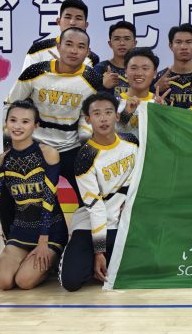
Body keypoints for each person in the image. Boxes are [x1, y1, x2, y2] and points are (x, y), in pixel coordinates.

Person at [5, 27, 102, 198]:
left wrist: (88, 145)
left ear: (87, 52)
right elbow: (10, 105)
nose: (74, 51)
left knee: (92, 198)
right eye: (69, 44)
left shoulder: (92, 80)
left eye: (80, 47)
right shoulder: (35, 72)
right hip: (35, 147)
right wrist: (9, 145)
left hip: (71, 148)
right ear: (58, 46)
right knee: (32, 201)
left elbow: (89, 116)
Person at [0, 101, 68, 290]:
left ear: (35, 126)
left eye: (25, 121)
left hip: (50, 231)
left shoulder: (48, 153)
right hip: (21, 230)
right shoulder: (3, 159)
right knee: (4, 282)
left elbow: (49, 199)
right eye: (13, 120)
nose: (18, 126)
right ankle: (28, 261)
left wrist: (43, 241)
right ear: (6, 123)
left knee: (24, 281)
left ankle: (54, 259)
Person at [59, 93, 140, 291]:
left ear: (117, 116)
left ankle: (107, 262)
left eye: (108, 112)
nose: (103, 118)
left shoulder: (131, 143)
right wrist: (99, 252)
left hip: (123, 224)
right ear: (88, 119)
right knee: (71, 282)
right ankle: (83, 256)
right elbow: (96, 208)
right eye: (97, 114)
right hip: (91, 225)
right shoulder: (85, 157)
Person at [20, 0, 100, 73]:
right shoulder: (38, 49)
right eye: (68, 17)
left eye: (78, 18)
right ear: (58, 21)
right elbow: (25, 81)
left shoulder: (92, 58)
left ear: (86, 25)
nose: (72, 22)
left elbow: (91, 83)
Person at [153, 23, 192, 109]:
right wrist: (155, 89)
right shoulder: (160, 78)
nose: (183, 47)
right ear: (170, 46)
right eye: (178, 42)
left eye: (188, 42)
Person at [116, 47, 159, 137]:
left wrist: (162, 115)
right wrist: (125, 114)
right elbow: (104, 135)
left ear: (154, 73)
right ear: (125, 72)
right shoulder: (113, 102)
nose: (139, 73)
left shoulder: (162, 104)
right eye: (134, 68)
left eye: (145, 68)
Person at [93, 21, 138, 98]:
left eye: (127, 39)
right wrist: (104, 86)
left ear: (134, 43)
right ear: (110, 44)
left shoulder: (141, 70)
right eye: (117, 39)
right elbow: (89, 98)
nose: (122, 43)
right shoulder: (99, 68)